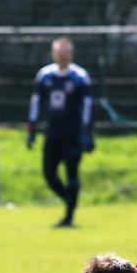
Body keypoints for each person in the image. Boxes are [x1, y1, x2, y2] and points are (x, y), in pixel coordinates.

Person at [27, 37, 94, 228]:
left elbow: (88, 105)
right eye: (58, 51)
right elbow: (35, 102)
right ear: (53, 53)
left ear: (70, 54)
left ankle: (69, 216)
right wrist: (32, 127)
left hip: (73, 135)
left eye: (65, 52)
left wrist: (87, 132)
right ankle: (69, 201)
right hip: (52, 134)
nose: (62, 55)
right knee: (49, 173)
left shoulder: (80, 77)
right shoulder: (44, 76)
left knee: (72, 174)